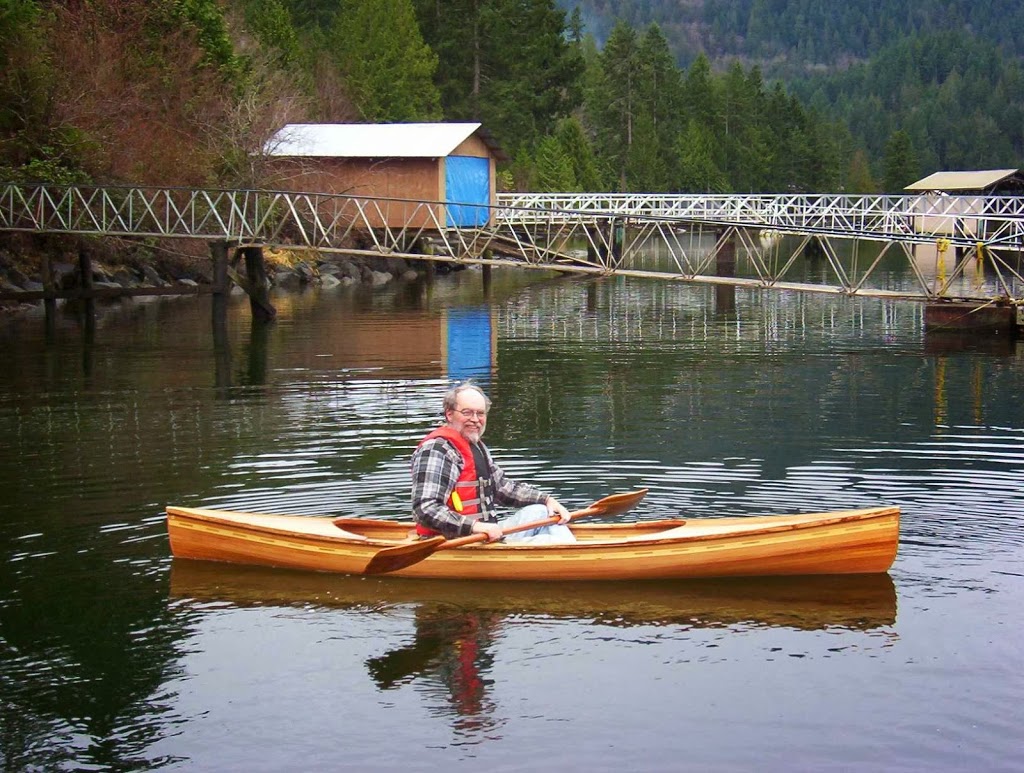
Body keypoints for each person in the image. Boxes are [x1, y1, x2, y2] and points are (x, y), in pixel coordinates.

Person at [411, 382, 575, 544]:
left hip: (485, 536)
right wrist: (475, 526)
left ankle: (570, 548)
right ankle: (573, 553)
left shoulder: (475, 446)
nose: (475, 420)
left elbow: (502, 488)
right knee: (552, 541)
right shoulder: (437, 450)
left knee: (542, 510)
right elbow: (426, 509)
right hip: (454, 540)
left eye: (480, 413)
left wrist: (547, 500)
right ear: (449, 414)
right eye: (467, 413)